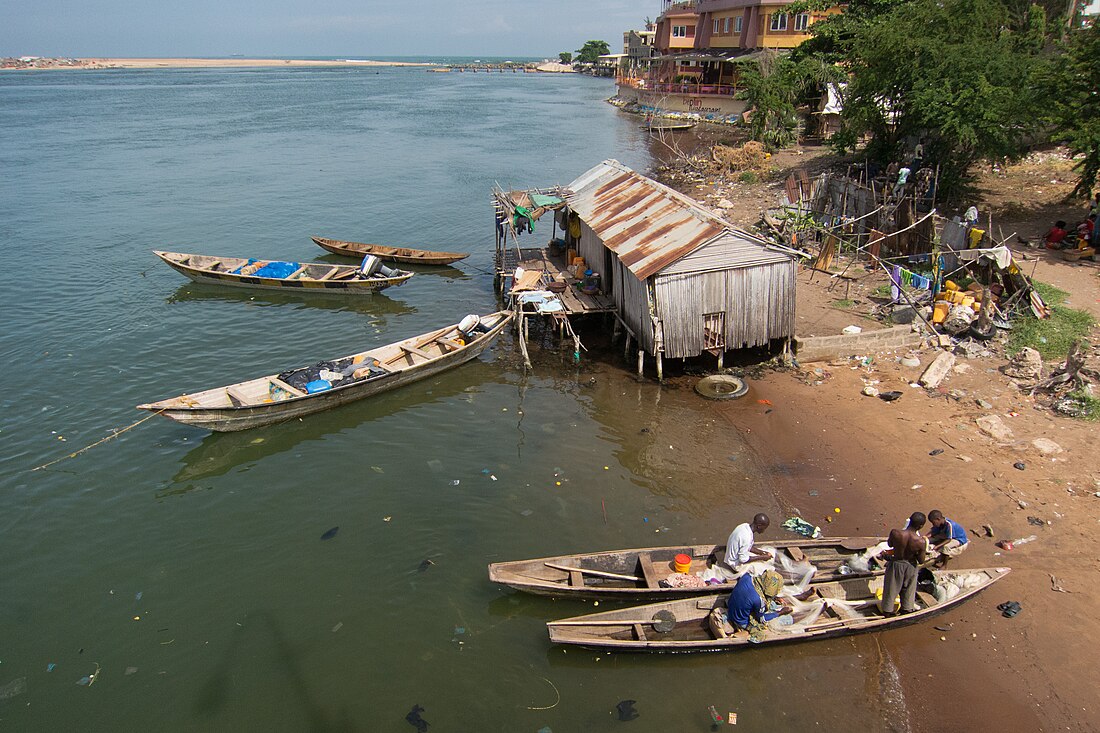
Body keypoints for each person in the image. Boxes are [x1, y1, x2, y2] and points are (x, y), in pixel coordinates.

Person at [879, 512, 927, 616]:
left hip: (896, 563)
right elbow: (921, 560)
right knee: (909, 588)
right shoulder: (921, 542)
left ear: (909, 520)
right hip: (910, 565)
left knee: (891, 588)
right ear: (921, 526)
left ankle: (887, 611)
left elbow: (890, 544)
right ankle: (906, 609)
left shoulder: (895, 533)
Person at [722, 570, 790, 642]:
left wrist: (774, 598)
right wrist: (780, 612)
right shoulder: (759, 600)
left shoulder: (746, 577)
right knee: (787, 618)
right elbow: (762, 619)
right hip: (742, 621)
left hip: (731, 609)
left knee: (772, 605)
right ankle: (745, 631)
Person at [717, 513, 773, 579]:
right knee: (769, 569)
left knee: (762, 559)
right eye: (764, 528)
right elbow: (743, 560)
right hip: (735, 564)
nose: (764, 530)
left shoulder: (744, 526)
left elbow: (748, 547)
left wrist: (761, 552)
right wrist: (762, 557)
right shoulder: (746, 537)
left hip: (731, 556)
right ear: (759, 526)